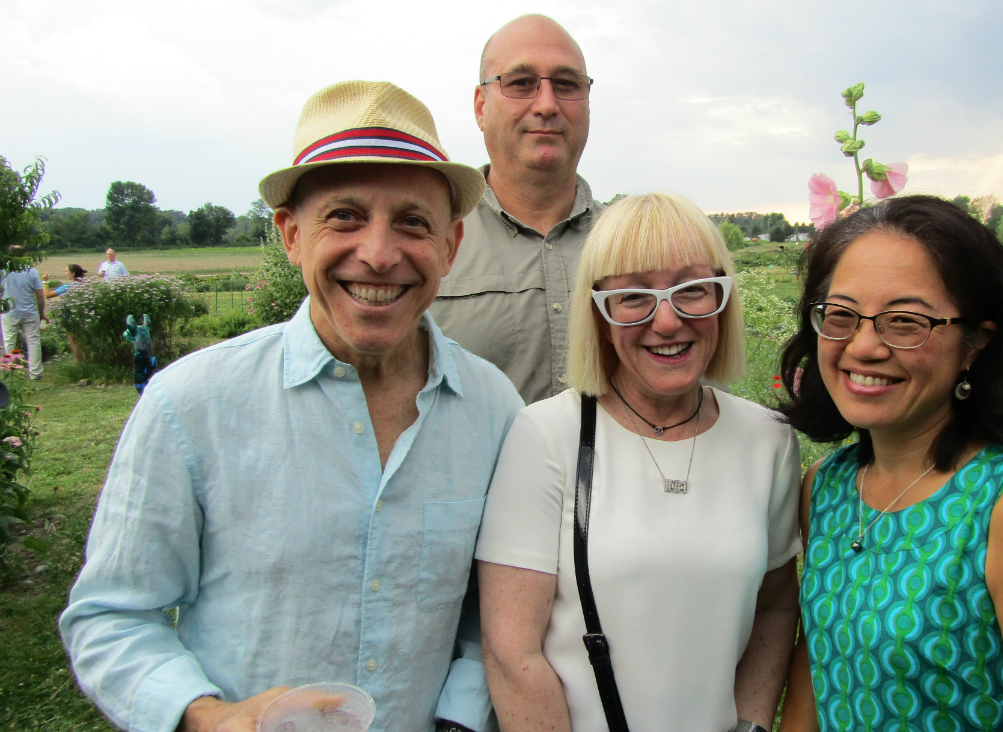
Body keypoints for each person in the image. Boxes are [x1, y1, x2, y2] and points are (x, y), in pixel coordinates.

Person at [60, 81, 524, 732]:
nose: (379, 253)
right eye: (345, 217)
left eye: (412, 223)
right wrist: (206, 717)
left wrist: (457, 719)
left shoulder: (492, 408)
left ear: (449, 246)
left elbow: (489, 617)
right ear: (291, 235)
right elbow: (111, 615)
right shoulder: (190, 405)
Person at [776, 196, 1003, 731]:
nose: (863, 346)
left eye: (906, 322)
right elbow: (818, 675)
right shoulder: (828, 486)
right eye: (841, 316)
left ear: (976, 343)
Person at [475, 192, 802, 732]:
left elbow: (773, 608)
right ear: (598, 314)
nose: (668, 321)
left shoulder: (768, 441)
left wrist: (752, 726)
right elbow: (513, 656)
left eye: (693, 289)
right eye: (633, 296)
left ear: (724, 299)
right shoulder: (546, 437)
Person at [428, 14, 601, 405]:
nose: (546, 104)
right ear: (480, 106)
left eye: (567, 84)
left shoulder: (636, 249)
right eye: (521, 83)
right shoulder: (425, 244)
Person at [1, 246, 46, 380]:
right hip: (29, 311)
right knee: (33, 342)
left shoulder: (3, 271)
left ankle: (8, 373)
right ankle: (35, 372)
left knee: (9, 342)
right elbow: (39, 295)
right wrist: (41, 313)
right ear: (25, 254)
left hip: (9, 312)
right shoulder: (32, 272)